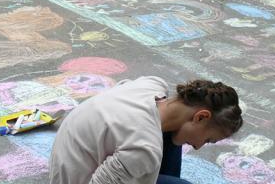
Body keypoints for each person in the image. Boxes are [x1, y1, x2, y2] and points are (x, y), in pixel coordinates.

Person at [49, 77, 243, 184]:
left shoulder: (151, 84)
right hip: (75, 178)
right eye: (208, 139)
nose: (199, 147)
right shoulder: (144, 148)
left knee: (172, 136)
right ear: (201, 116)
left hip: (70, 157)